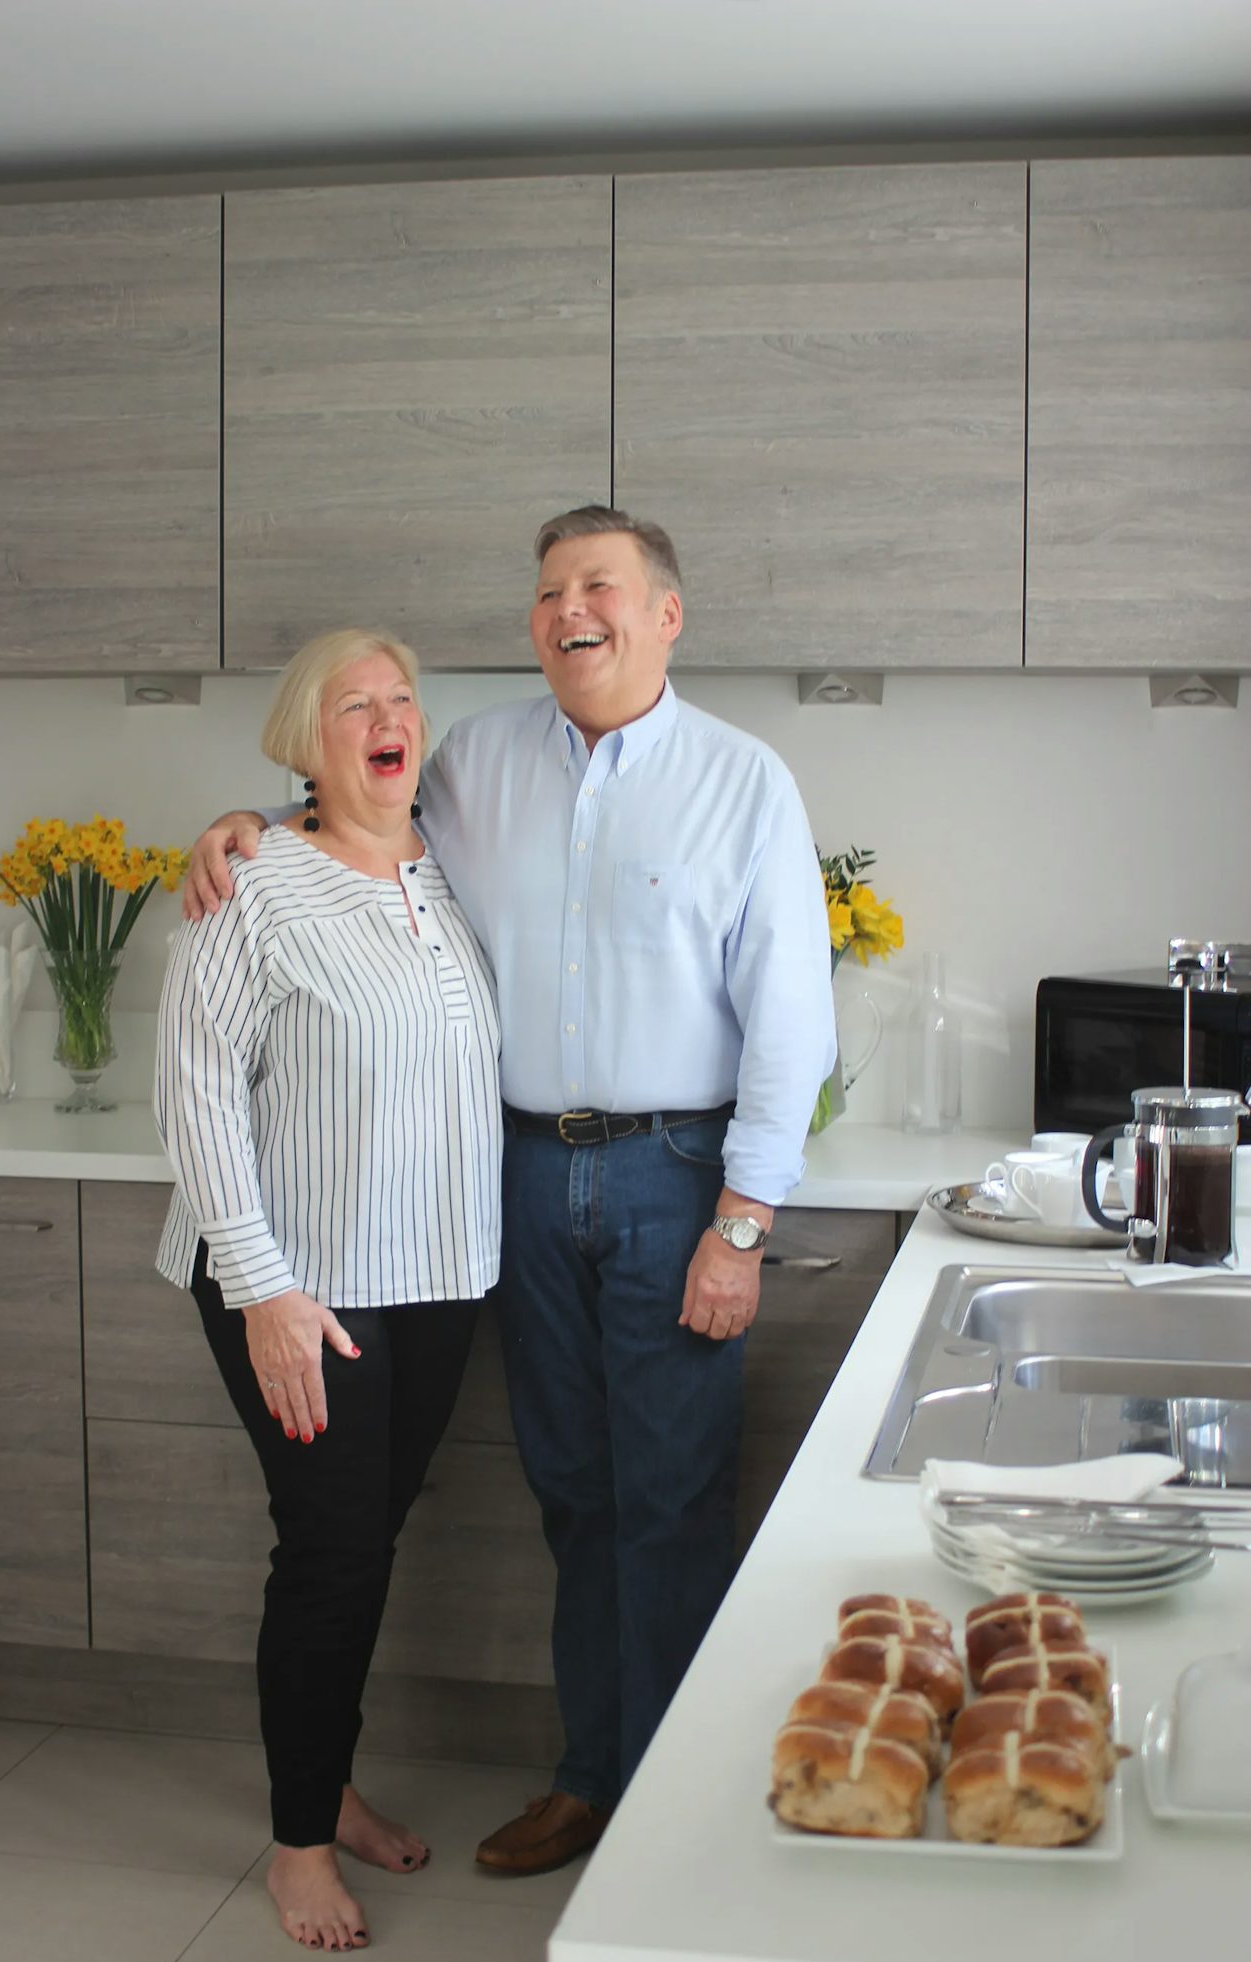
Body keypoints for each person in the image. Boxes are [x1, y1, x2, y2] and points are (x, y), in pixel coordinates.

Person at [182, 507, 835, 1876]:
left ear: (666, 614)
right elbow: (337, 828)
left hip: (673, 1176)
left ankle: (670, 1815)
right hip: (519, 1181)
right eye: (546, 591)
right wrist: (239, 824)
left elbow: (792, 1015)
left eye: (598, 585)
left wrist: (744, 1220)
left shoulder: (742, 779)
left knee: (668, 1499)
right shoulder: (472, 764)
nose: (568, 609)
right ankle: (589, 1779)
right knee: (573, 1497)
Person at [155, 628, 501, 1948]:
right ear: (306, 745)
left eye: (401, 697)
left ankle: (331, 1781)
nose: (386, 716)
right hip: (302, 1283)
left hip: (439, 1272)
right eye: (354, 704)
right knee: (332, 1555)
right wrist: (264, 1291)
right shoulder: (251, 887)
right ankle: (301, 1841)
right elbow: (195, 1100)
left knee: (365, 1543)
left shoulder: (451, 864)